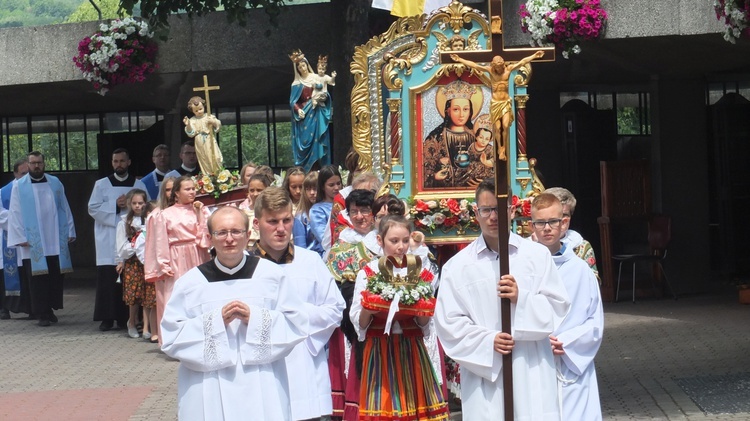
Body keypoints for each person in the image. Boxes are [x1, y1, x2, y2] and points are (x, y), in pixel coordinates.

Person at [434, 179, 570, 421]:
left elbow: (557, 308)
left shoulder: (537, 256)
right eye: (486, 210)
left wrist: (522, 299)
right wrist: (488, 341)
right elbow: (448, 323)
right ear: (476, 213)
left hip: (531, 365)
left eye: (499, 208)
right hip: (486, 374)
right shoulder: (458, 266)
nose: (493, 216)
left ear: (512, 210)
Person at [160, 206, 308, 420]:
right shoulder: (190, 284)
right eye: (221, 233)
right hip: (208, 385)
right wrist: (214, 321)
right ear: (210, 237)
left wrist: (256, 319)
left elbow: (297, 324)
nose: (229, 239)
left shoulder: (271, 276)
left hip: (262, 382)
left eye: (236, 232)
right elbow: (171, 336)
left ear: (248, 235)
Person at [251, 187, 344, 421]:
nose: (281, 229)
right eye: (272, 221)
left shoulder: (310, 261)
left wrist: (297, 316)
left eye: (286, 220)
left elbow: (335, 309)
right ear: (256, 223)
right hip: (260, 368)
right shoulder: (245, 268)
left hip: (305, 363)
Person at [350, 214, 449, 420]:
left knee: (414, 401)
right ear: (380, 241)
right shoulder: (368, 273)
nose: (401, 247)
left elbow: (424, 322)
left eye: (405, 241)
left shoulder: (420, 272)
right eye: (394, 241)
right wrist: (370, 306)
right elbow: (360, 321)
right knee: (384, 402)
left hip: (412, 346)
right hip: (379, 347)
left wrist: (421, 308)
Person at [530, 193, 604, 420]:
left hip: (572, 363)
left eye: (553, 221)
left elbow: (595, 320)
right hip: (535, 360)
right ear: (531, 224)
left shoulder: (581, 270)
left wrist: (567, 341)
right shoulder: (522, 266)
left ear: (563, 222)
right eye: (540, 223)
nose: (547, 228)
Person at [324, 189, 379, 420]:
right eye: (354, 211)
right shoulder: (341, 243)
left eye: (364, 211)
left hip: (378, 319)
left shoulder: (383, 240)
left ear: (374, 213)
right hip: (347, 319)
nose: (359, 217)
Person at [8, 151, 76, 327]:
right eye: (33, 163)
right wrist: (20, 236)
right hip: (33, 241)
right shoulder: (19, 186)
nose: (36, 166)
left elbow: (64, 206)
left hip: (54, 237)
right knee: (38, 279)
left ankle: (50, 308)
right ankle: (41, 313)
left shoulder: (55, 182)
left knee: (54, 275)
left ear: (44, 163)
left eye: (39, 162)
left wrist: (69, 230)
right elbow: (14, 212)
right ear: (28, 164)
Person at [89, 148, 149, 331]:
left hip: (132, 238)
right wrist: (114, 206)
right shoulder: (101, 184)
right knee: (108, 279)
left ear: (129, 162)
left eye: (122, 161)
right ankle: (107, 318)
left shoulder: (139, 185)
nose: (119, 165)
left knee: (131, 279)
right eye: (115, 161)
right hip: (107, 239)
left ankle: (127, 319)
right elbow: (92, 209)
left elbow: (147, 207)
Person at [450, 50, 545, 161]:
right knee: (498, 127)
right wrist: (460, 59)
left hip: (505, 103)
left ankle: (503, 147)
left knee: (505, 125)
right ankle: (500, 147)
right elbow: (474, 65)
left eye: (500, 67)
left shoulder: (508, 70)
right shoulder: (491, 71)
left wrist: (534, 55)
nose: (498, 69)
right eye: (496, 67)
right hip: (495, 103)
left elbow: (522, 61)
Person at [150, 176, 211, 345]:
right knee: (174, 295)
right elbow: (160, 240)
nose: (192, 192)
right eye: (187, 189)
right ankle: (173, 339)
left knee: (199, 294)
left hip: (197, 254)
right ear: (176, 193)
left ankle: (201, 337)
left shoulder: (201, 210)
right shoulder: (165, 214)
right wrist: (163, 263)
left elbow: (204, 238)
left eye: (193, 188)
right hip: (176, 255)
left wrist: (199, 214)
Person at [423, 79, 481, 188]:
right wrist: (435, 177)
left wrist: (483, 183)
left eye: (465, 109)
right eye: (456, 109)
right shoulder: (435, 139)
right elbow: (424, 171)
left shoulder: (477, 137)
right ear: (447, 111)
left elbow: (489, 164)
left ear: (470, 111)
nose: (461, 114)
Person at [116, 189, 156, 339]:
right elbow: (121, 248)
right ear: (128, 204)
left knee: (148, 294)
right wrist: (135, 244)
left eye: (140, 203)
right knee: (134, 294)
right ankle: (131, 322)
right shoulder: (124, 222)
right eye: (134, 203)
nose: (137, 206)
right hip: (133, 262)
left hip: (148, 261)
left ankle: (147, 326)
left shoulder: (150, 220)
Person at [143, 176, 176, 344]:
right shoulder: (157, 215)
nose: (171, 193)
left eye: (173, 189)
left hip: (185, 259)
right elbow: (153, 244)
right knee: (166, 301)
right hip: (166, 263)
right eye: (168, 190)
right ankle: (167, 340)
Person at [544, 187, 600, 283]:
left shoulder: (581, 246)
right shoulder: (529, 246)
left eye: (564, 215)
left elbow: (593, 282)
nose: (559, 220)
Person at [290, 49, 332, 172]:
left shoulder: (315, 78)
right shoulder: (296, 83)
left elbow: (324, 90)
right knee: (305, 142)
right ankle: (306, 171)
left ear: (307, 65)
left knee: (318, 141)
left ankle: (320, 169)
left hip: (316, 112)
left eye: (304, 65)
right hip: (305, 116)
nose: (302, 68)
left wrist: (322, 98)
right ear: (297, 69)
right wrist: (298, 110)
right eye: (300, 67)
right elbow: (293, 102)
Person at [0, 158, 30, 319]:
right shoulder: (4, 191)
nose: (26, 177)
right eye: (23, 174)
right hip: (9, 240)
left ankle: (30, 307)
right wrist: (18, 221)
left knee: (26, 274)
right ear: (15, 173)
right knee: (7, 273)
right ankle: (4, 307)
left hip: (29, 239)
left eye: (28, 173)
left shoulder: (33, 189)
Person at [183, 96, 223, 175]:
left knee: (216, 156)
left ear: (203, 106)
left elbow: (218, 124)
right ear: (193, 111)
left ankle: (218, 173)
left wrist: (213, 121)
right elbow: (191, 133)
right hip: (200, 141)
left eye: (200, 109)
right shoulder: (192, 120)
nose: (199, 111)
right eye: (196, 110)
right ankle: (207, 174)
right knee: (204, 158)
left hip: (209, 138)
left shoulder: (209, 116)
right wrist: (188, 125)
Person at [309, 165, 342, 257]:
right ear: (323, 187)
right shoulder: (317, 210)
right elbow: (324, 238)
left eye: (338, 183)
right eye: (331, 185)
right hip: (328, 255)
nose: (336, 188)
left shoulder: (346, 204)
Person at [292, 171, 322, 255]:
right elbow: (300, 247)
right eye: (308, 189)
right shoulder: (300, 217)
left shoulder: (330, 211)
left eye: (315, 188)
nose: (312, 193)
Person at [238, 174, 269, 249]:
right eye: (252, 190)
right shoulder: (244, 212)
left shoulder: (271, 211)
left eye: (259, 190)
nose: (255, 194)